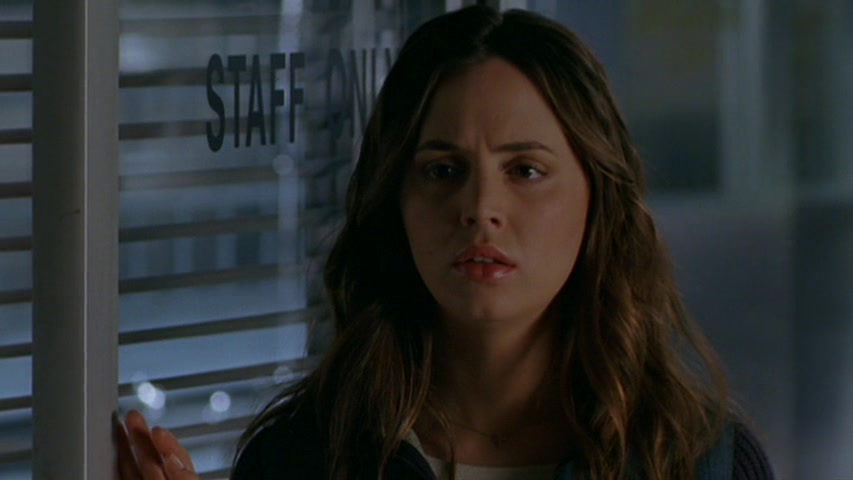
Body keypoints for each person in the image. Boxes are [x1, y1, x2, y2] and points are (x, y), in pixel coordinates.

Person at [116, 5, 775, 480]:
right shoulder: (304, 459)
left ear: (597, 197)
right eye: (442, 170)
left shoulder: (697, 462)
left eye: (525, 171)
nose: (480, 209)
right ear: (395, 201)